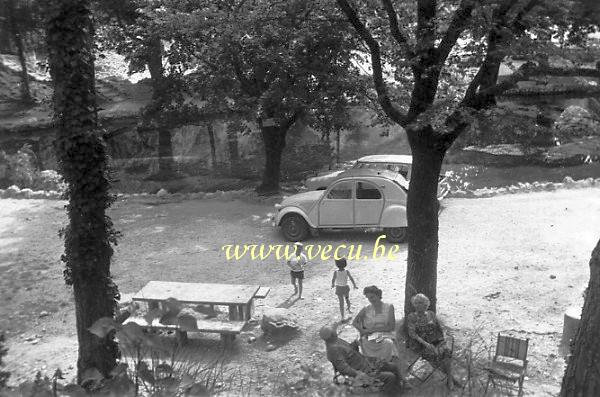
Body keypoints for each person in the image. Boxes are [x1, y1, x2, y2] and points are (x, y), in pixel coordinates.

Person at [319, 325, 404, 395]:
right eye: (334, 332)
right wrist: (359, 374)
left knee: (392, 366)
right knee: (390, 377)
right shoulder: (333, 350)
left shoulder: (336, 341)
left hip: (366, 363)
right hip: (363, 371)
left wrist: (354, 345)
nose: (336, 332)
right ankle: (388, 394)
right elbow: (344, 369)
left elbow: (348, 352)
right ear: (332, 335)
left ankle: (400, 388)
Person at [406, 293, 460, 389]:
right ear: (414, 304)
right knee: (435, 354)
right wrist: (426, 344)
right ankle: (451, 379)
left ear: (426, 304)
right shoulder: (412, 317)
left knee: (445, 351)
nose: (418, 305)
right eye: (416, 303)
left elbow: (439, 328)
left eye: (421, 303)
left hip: (436, 341)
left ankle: (450, 379)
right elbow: (412, 334)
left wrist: (442, 341)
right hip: (421, 344)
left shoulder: (431, 314)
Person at [352, 286, 399, 363]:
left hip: (385, 334)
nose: (371, 300)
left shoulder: (389, 307)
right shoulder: (366, 308)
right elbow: (354, 322)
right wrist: (362, 331)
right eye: (368, 298)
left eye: (372, 297)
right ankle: (373, 364)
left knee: (388, 343)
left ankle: (383, 363)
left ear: (378, 295)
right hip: (370, 336)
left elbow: (391, 327)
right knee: (365, 341)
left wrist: (373, 330)